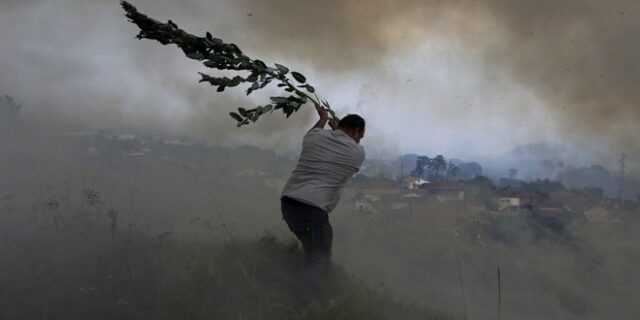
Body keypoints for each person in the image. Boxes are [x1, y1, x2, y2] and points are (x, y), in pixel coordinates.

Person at [280, 104, 365, 303]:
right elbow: (344, 145)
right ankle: (300, 306)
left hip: (288, 203)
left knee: (313, 253)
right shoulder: (358, 153)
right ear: (356, 131)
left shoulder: (313, 138)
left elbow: (316, 132)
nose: (359, 141)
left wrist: (323, 118)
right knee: (319, 261)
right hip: (312, 210)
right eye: (360, 136)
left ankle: (309, 297)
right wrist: (337, 129)